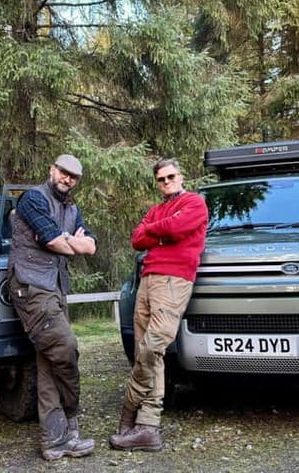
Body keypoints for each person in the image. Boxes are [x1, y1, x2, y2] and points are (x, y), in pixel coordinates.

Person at [109, 158, 208, 452]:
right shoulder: (155, 209)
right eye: (161, 179)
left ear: (181, 176)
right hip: (147, 280)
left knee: (153, 347)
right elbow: (137, 239)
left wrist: (157, 228)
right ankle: (148, 428)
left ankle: (129, 409)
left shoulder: (195, 202)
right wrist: (159, 228)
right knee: (147, 353)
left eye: (170, 176)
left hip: (174, 280)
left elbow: (178, 229)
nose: (166, 182)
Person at [7, 154, 97, 460]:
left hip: (56, 288)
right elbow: (51, 241)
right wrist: (68, 242)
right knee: (65, 349)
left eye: (73, 176)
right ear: (52, 169)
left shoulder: (71, 207)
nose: (67, 178)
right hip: (32, 287)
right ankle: (72, 420)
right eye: (63, 171)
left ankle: (54, 442)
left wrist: (65, 240)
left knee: (48, 363)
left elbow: (90, 244)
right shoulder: (32, 199)